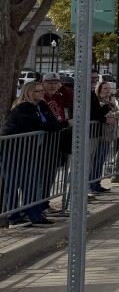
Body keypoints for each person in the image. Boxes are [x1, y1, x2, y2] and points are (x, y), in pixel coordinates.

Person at [3, 81, 69, 226]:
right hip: (14, 151)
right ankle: (16, 216)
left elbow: (52, 121)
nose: (42, 93)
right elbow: (38, 125)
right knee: (13, 184)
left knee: (30, 184)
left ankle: (32, 215)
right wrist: (65, 124)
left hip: (29, 151)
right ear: (29, 93)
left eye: (42, 91)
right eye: (38, 91)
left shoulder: (40, 105)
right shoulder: (23, 107)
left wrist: (45, 107)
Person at [89, 79, 119, 194]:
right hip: (98, 134)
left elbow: (116, 111)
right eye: (105, 88)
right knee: (95, 161)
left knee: (101, 161)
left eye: (109, 88)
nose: (107, 90)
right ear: (99, 89)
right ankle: (91, 185)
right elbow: (99, 114)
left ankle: (97, 183)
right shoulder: (97, 100)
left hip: (108, 135)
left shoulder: (110, 100)